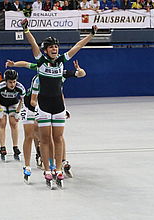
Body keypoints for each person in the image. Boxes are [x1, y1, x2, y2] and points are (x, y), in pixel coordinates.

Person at [21, 18, 97, 189]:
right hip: (44, 106)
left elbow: (78, 46)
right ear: (46, 50)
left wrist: (91, 34)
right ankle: (48, 169)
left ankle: (59, 168)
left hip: (58, 106)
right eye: (51, 47)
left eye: (56, 46)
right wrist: (26, 29)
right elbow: (33, 43)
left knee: (59, 138)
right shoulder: (40, 61)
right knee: (45, 140)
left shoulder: (62, 60)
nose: (55, 49)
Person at [6, 59, 87, 183]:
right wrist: (14, 65)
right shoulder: (38, 78)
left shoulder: (61, 73)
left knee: (56, 135)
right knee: (31, 134)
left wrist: (64, 109)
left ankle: (61, 161)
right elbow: (33, 99)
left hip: (48, 104)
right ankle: (27, 165)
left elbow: (76, 78)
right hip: (31, 106)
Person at [0, 69, 26, 161]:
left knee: (14, 123)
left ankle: (15, 147)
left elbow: (22, 100)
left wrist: (18, 112)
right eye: (10, 82)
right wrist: (0, 110)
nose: (12, 84)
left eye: (14, 82)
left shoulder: (20, 88)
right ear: (5, 81)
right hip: (1, 103)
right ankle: (2, 147)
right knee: (2, 123)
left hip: (13, 104)